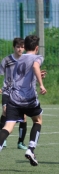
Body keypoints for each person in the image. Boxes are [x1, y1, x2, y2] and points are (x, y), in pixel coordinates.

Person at [0, 35, 47, 166]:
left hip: (14, 98)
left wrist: (37, 75)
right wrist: (41, 84)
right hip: (29, 99)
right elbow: (35, 67)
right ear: (37, 48)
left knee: (8, 127)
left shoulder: (18, 59)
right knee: (38, 120)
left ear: (25, 47)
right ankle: (31, 149)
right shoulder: (37, 57)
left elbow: (23, 75)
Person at [0, 37, 28, 150]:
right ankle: (3, 139)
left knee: (24, 116)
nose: (20, 49)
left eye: (22, 47)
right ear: (14, 47)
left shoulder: (27, 60)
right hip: (7, 90)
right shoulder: (6, 60)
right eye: (18, 47)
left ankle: (20, 142)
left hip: (21, 92)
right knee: (5, 111)